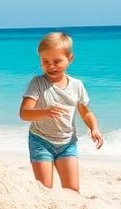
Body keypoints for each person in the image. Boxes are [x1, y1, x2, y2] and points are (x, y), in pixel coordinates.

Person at [18, 31, 104, 193]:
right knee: (44, 189)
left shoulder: (77, 85)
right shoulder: (37, 84)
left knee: (72, 190)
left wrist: (94, 128)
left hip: (67, 143)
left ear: (70, 59)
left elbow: (85, 113)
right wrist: (44, 112)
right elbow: (24, 113)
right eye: (46, 61)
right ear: (40, 61)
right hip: (41, 141)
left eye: (57, 61)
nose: (51, 66)